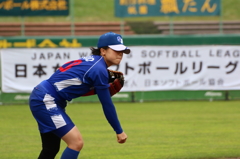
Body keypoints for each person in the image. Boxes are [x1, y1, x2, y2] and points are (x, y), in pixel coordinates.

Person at [29, 32, 130, 159]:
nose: (120, 54)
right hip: (46, 100)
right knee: (76, 143)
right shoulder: (98, 69)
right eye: (116, 50)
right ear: (103, 51)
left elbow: (71, 89)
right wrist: (119, 131)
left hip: (45, 97)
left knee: (51, 149)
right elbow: (107, 104)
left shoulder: (93, 63)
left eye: (122, 51)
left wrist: (97, 90)